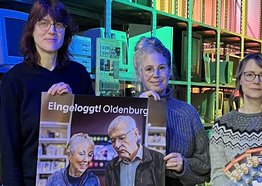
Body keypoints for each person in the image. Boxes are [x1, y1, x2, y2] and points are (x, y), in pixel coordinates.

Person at [0, 0, 95, 185]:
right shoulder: (14, 80)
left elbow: (92, 132)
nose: (51, 30)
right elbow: (7, 146)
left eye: (58, 24)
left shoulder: (79, 74)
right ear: (31, 29)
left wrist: (73, 103)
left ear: (65, 32)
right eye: (43, 23)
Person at [133, 36, 210, 185]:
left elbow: (206, 165)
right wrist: (138, 108)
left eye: (161, 68)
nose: (156, 75)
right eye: (148, 69)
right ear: (139, 75)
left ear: (169, 71)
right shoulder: (126, 110)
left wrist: (183, 165)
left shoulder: (187, 113)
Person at [210, 53, 262, 185]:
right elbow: (217, 176)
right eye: (249, 75)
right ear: (240, 80)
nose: (256, 81)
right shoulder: (223, 126)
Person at [105, 115, 165, 186]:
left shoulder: (160, 161)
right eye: (113, 140)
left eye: (122, 138)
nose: (117, 145)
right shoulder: (111, 167)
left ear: (135, 134)